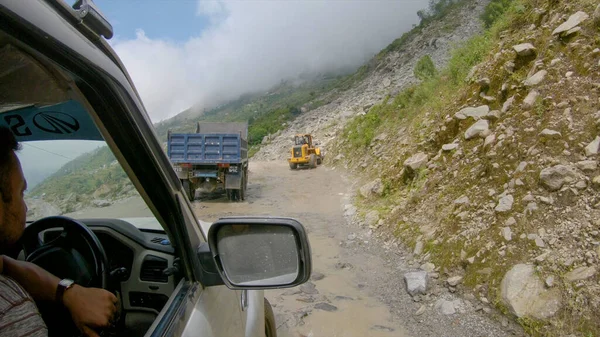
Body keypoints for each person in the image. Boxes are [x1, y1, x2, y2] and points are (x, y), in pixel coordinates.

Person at [0, 126, 117, 337]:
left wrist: (69, 293)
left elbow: (4, 265)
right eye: (21, 192)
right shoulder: (12, 312)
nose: (25, 208)